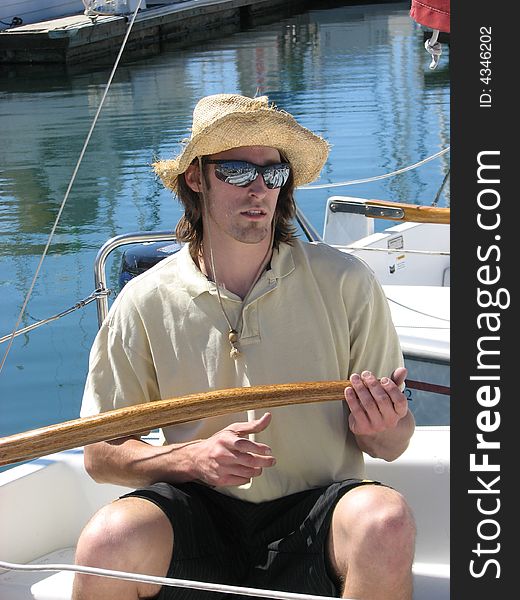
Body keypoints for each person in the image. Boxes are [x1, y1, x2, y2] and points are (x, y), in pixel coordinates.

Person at [72, 93, 416, 600]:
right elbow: (100, 454)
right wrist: (192, 459)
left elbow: (393, 444)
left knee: (385, 523)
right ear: (196, 177)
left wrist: (384, 428)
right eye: (236, 172)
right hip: (198, 513)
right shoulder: (145, 301)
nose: (259, 189)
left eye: (273, 175)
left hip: (316, 512)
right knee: (108, 540)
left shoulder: (345, 282)